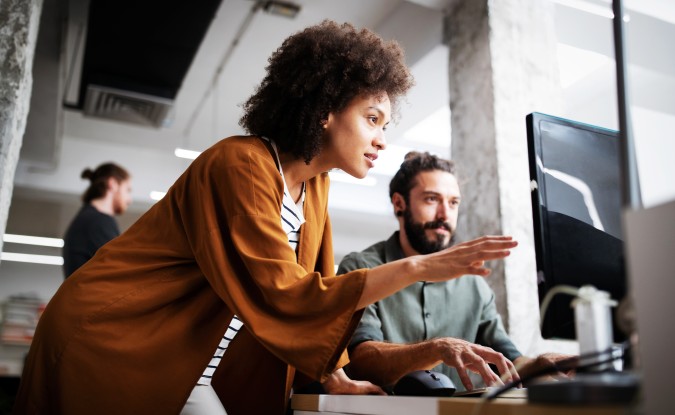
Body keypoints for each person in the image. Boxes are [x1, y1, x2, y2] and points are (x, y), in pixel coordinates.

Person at [13, 21, 518, 415]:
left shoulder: (313, 186)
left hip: (189, 364)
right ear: (325, 110)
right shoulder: (240, 164)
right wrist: (417, 268)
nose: (382, 138)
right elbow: (284, 293)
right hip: (116, 338)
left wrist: (336, 374)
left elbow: (313, 289)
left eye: (385, 124)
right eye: (372, 118)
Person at [339, 151, 569, 393]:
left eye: (453, 203)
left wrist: (541, 365)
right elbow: (360, 362)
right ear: (399, 204)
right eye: (431, 199)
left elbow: (508, 362)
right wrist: (436, 349)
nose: (444, 215)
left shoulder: (474, 283)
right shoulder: (361, 268)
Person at [62, 162, 132, 278]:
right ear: (113, 184)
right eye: (128, 190)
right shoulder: (97, 221)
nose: (129, 199)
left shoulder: (89, 218)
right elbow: (121, 270)